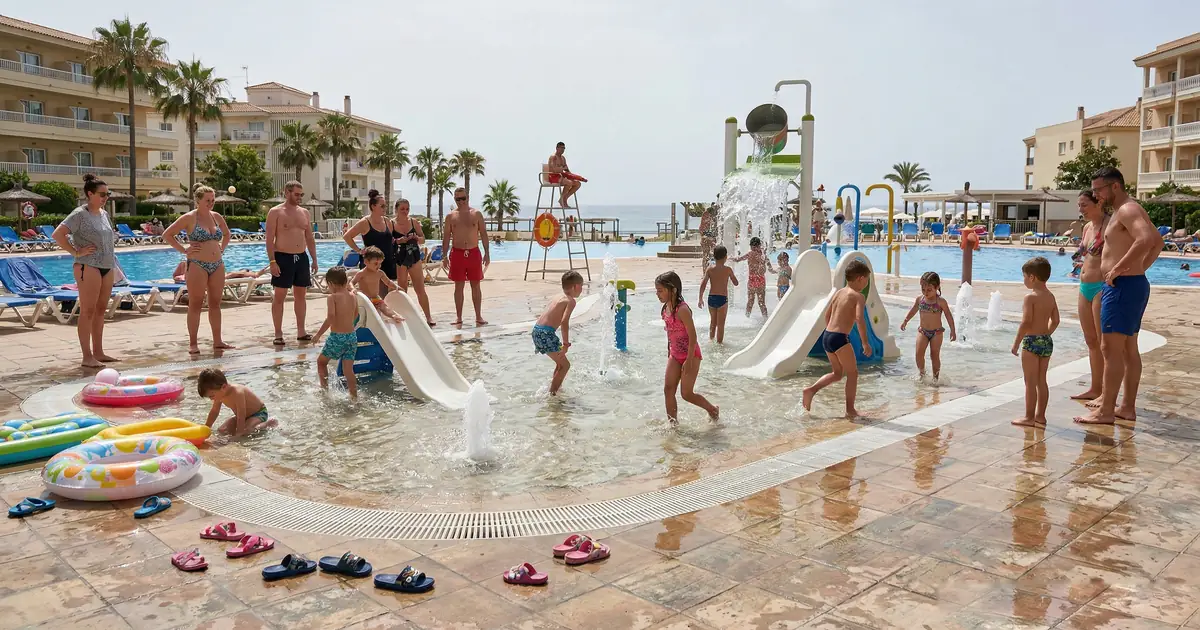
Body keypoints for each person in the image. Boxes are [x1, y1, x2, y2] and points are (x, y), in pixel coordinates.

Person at [1077, 167, 1159, 425]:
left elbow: (1146, 239)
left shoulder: (1126, 210)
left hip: (1123, 286)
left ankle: (1106, 412)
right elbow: (1157, 240)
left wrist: (1118, 269)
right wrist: (1137, 269)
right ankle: (1126, 408)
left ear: (1115, 186)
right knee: (1127, 350)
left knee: (1110, 349)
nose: (1096, 195)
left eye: (1099, 190)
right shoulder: (1125, 210)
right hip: (1130, 284)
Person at [51, 174, 117, 368]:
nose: (106, 197)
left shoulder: (104, 214)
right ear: (90, 194)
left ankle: (99, 352)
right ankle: (86, 356)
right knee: (88, 310)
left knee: (100, 310)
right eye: (102, 194)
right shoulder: (79, 214)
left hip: (107, 265)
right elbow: (58, 234)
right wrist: (75, 251)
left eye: (108, 194)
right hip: (88, 265)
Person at [162, 185, 235, 355]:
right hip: (197, 264)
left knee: (215, 303)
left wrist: (221, 249)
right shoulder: (189, 218)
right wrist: (184, 249)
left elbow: (227, 234)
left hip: (217, 264)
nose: (211, 203)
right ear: (198, 200)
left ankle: (218, 341)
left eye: (213, 200)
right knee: (195, 303)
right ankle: (193, 343)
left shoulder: (216, 217)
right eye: (207, 200)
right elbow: (167, 234)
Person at [802, 260, 873, 417]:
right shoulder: (858, 296)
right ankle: (850, 410)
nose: (866, 283)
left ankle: (811, 390)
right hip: (839, 338)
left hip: (828, 336)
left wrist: (832, 332)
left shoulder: (838, 293)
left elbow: (827, 315)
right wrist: (865, 343)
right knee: (853, 374)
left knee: (838, 373)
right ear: (861, 278)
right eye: (867, 279)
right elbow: (860, 319)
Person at [656, 271, 719, 423]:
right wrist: (669, 349)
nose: (658, 294)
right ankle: (673, 424)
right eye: (657, 291)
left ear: (673, 290)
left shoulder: (682, 310)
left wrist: (689, 359)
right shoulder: (666, 309)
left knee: (686, 393)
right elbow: (670, 332)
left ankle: (712, 409)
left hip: (691, 354)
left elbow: (693, 336)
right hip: (675, 354)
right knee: (668, 389)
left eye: (660, 291)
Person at [266, 181, 318, 346]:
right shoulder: (276, 212)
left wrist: (314, 258)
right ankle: (278, 333)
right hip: (283, 257)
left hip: (301, 257)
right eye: (296, 194)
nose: (299, 197)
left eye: (301, 194)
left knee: (300, 296)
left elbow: (309, 237)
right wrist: (272, 261)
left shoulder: (304, 213)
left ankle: (301, 331)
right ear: (287, 192)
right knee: (280, 296)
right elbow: (269, 239)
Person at [1070, 191, 1108, 402]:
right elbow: (1084, 255)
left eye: (1084, 205)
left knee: (1104, 343)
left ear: (1098, 202)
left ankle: (1105, 393)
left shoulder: (1111, 224)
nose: (1081, 209)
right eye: (1079, 205)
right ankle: (1095, 388)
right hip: (1084, 286)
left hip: (1101, 287)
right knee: (1091, 341)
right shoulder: (1086, 228)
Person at [1012, 257, 1059, 427]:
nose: (1024, 280)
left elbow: (1026, 322)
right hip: (1046, 341)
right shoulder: (1050, 296)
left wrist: (1017, 342)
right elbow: (1055, 320)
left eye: (1024, 276)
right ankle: (1041, 416)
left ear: (1032, 277)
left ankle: (1028, 417)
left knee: (1029, 382)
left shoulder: (1030, 298)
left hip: (1031, 342)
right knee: (1041, 381)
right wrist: (1046, 333)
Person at [441, 188, 490, 327]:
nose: (461, 201)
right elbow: (446, 238)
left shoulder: (477, 214)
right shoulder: (451, 216)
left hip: (474, 252)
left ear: (467, 197)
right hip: (457, 253)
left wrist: (487, 253)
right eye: (458, 199)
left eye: (463, 198)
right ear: (455, 200)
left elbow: (484, 234)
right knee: (458, 286)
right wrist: (444, 256)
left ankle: (478, 316)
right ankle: (458, 317)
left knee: (476, 285)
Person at [899, 271, 957, 381]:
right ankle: (922, 374)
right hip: (923, 331)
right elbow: (914, 310)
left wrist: (953, 330)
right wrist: (906, 320)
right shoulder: (920, 300)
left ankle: (936, 378)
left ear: (937, 287)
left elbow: (948, 315)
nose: (926, 292)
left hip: (937, 332)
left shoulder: (940, 302)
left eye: (929, 290)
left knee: (934, 355)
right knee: (918, 354)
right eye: (923, 289)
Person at [533, 271, 583, 395]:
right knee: (565, 366)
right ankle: (553, 395)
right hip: (546, 333)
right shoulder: (570, 301)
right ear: (576, 286)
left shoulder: (558, 296)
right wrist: (566, 344)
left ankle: (556, 388)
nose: (582, 289)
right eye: (582, 286)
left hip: (537, 330)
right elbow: (564, 322)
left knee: (560, 364)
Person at [313, 267, 360, 397]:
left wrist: (318, 335)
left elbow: (331, 318)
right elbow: (356, 314)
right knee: (348, 370)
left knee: (321, 362)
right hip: (351, 336)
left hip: (337, 337)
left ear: (331, 284)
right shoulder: (352, 296)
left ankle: (324, 391)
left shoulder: (332, 297)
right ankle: (354, 396)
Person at [342, 189, 398, 294]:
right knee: (370, 293)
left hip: (387, 261)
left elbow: (391, 240)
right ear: (373, 206)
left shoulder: (387, 221)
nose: (385, 208)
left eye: (385, 206)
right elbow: (347, 236)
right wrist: (359, 250)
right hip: (371, 263)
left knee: (386, 294)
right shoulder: (365, 222)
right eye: (382, 206)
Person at [198, 368, 276, 437]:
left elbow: (241, 416)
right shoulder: (219, 394)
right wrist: (207, 427)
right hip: (242, 416)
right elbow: (215, 411)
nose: (211, 399)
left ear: (224, 387)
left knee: (247, 431)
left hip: (258, 413)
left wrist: (238, 435)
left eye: (212, 395)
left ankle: (268, 423)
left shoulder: (237, 393)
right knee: (221, 430)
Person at [392, 199, 434, 326]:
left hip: (414, 256)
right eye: (402, 209)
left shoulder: (413, 222)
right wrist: (399, 241)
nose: (405, 211)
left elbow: (423, 239)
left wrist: (416, 238)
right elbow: (390, 241)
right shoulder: (391, 224)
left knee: (420, 289)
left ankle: (428, 317)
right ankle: (403, 316)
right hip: (400, 258)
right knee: (402, 288)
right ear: (396, 210)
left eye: (407, 209)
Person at [354, 246, 404, 323]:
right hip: (365, 300)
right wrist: (352, 289)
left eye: (380, 263)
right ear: (366, 262)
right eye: (376, 263)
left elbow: (388, 282)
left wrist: (396, 287)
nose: (378, 266)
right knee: (368, 314)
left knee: (385, 307)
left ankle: (394, 316)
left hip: (376, 298)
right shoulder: (361, 274)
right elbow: (351, 283)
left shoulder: (380, 273)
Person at [698, 245, 738, 343]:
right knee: (721, 325)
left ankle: (711, 340)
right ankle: (719, 344)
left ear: (714, 256)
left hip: (711, 298)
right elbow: (736, 283)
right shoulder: (728, 270)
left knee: (713, 322)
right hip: (722, 299)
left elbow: (703, 284)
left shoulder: (710, 269)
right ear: (725, 257)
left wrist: (700, 298)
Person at [732, 237, 774, 318]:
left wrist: (730, 258)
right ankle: (765, 319)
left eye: (753, 247)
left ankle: (747, 318)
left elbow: (738, 259)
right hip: (760, 280)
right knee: (761, 302)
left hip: (752, 280)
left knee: (750, 301)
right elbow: (770, 269)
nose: (753, 248)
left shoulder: (751, 254)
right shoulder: (763, 255)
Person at [548, 141, 582, 208]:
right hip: (553, 177)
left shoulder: (563, 158)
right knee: (568, 182)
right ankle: (562, 199)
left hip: (561, 177)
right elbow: (554, 169)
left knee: (578, 184)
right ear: (557, 148)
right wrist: (562, 168)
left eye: (564, 148)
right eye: (561, 148)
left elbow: (566, 170)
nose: (562, 149)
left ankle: (564, 198)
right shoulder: (553, 157)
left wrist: (572, 176)